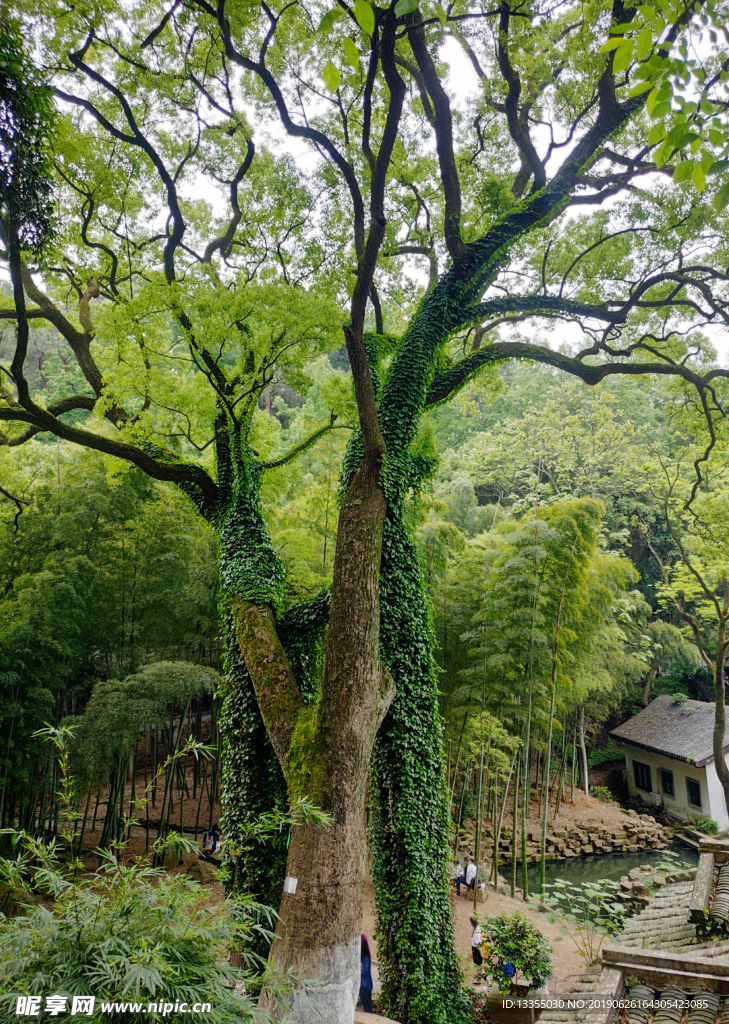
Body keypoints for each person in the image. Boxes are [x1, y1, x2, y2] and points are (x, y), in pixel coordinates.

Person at [359, 934, 373, 1014]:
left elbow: (365, 970)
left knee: (367, 1009)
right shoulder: (363, 956)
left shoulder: (365, 958)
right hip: (362, 985)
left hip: (365, 986)